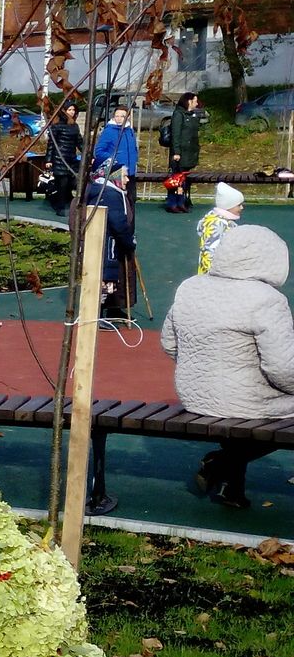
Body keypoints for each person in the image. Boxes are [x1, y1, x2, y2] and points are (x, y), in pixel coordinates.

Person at [161, 225, 294, 508]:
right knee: (266, 415)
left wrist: (203, 368)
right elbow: (283, 369)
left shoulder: (190, 287)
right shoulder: (267, 299)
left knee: (242, 415)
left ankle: (230, 488)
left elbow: (169, 344)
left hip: (194, 395)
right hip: (246, 400)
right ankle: (219, 463)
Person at [84, 164, 136, 320]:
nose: (127, 179)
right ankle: (95, 318)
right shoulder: (110, 194)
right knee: (103, 280)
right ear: (114, 176)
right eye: (124, 176)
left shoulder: (101, 190)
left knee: (103, 281)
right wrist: (129, 242)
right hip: (106, 245)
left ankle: (99, 315)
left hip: (102, 243)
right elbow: (118, 222)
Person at [163, 92, 207, 213]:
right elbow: (176, 135)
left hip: (189, 153)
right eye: (195, 101)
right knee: (176, 179)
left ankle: (181, 201)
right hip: (180, 153)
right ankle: (172, 202)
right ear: (189, 101)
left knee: (183, 179)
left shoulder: (192, 115)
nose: (196, 104)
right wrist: (176, 152)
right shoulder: (178, 114)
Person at [45, 101, 82, 215]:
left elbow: (80, 142)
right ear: (64, 111)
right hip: (59, 159)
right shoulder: (56, 125)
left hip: (71, 158)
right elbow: (51, 144)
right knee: (62, 183)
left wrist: (88, 154)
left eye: (73, 110)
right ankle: (60, 207)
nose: (72, 112)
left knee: (70, 183)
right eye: (69, 110)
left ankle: (66, 202)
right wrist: (49, 160)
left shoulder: (74, 126)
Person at [198, 183, 245, 274]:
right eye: (239, 205)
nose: (242, 207)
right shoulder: (217, 224)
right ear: (228, 206)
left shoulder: (225, 221)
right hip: (215, 275)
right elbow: (210, 251)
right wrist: (215, 274)